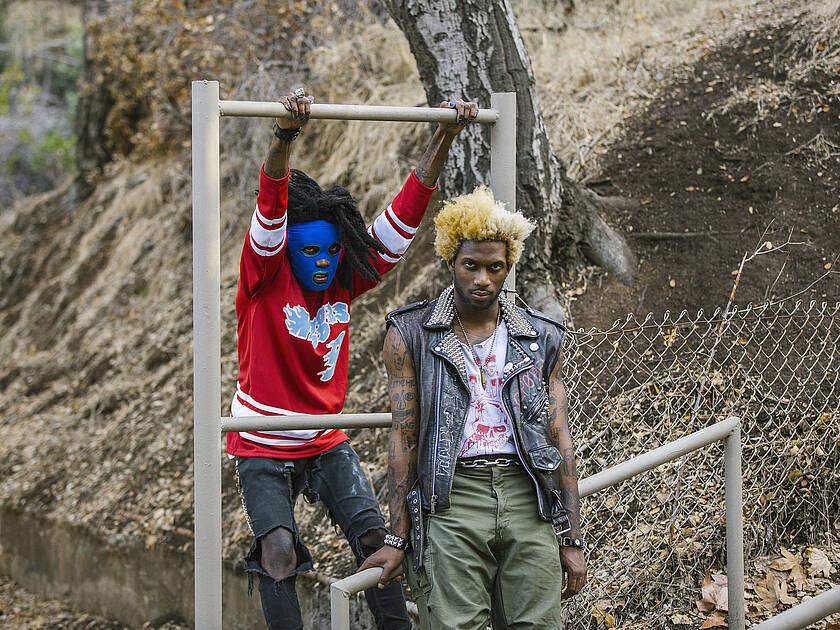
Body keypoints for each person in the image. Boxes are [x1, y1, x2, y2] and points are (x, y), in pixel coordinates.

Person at [227, 88, 477, 630]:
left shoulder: (344, 278)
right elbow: (269, 210)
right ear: (287, 249)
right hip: (263, 438)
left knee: (376, 540)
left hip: (324, 436)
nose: (322, 261)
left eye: (331, 249)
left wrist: (444, 136)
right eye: (308, 251)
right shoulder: (263, 276)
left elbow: (399, 224)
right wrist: (284, 136)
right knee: (277, 550)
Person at [361, 187, 587, 629]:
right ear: (451, 262)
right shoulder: (411, 333)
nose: (483, 278)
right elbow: (403, 437)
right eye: (471, 265)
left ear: (508, 267)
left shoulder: (541, 337)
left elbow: (559, 436)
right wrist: (398, 535)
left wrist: (571, 536)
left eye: (494, 267)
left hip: (528, 496)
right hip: (451, 499)